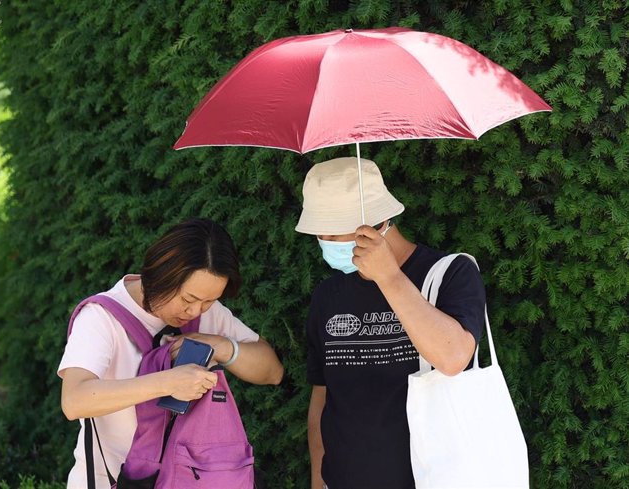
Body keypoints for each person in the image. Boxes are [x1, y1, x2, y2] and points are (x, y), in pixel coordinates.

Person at [296, 157, 486, 489]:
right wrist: (318, 479)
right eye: (319, 232)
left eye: (333, 229)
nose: (324, 241)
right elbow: (323, 394)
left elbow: (455, 358)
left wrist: (390, 278)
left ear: (379, 221)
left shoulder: (450, 273)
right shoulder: (329, 293)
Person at [58, 218, 284, 488]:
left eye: (209, 301)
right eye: (188, 299)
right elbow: (74, 400)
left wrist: (223, 347)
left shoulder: (206, 315)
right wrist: (168, 382)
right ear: (162, 273)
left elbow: (272, 371)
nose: (195, 311)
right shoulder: (101, 318)